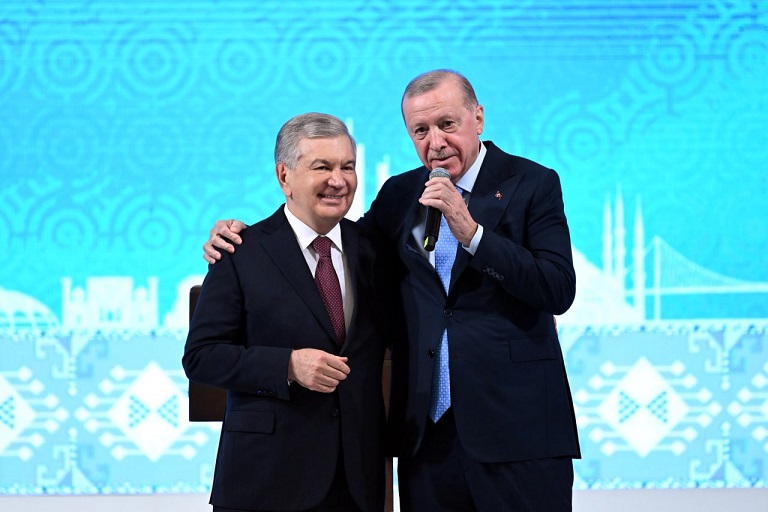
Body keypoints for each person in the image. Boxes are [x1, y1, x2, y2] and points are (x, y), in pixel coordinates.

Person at [203, 70, 581, 511]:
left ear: (478, 118)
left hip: (519, 432)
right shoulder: (401, 193)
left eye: (447, 124)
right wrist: (245, 237)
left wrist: (473, 234)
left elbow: (558, 289)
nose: (435, 142)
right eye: (420, 130)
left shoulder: (533, 183)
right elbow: (338, 248)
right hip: (425, 438)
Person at [184, 112, 393, 512]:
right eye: (322, 167)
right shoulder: (239, 251)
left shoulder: (376, 250)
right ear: (284, 176)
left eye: (347, 166)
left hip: (357, 483)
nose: (338, 180)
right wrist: (289, 366)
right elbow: (201, 357)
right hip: (265, 480)